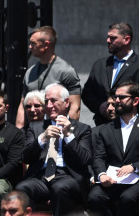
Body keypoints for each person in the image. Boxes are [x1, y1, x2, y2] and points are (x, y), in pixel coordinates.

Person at [15, 83, 92, 216]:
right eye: (46, 101)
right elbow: (25, 157)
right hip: (42, 177)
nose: (49, 105)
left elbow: (85, 159)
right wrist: (42, 138)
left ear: (66, 102)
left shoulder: (82, 129)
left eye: (53, 101)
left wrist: (68, 135)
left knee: (59, 188)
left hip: (68, 176)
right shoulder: (35, 127)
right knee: (21, 188)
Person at [88, 81, 139, 216]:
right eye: (116, 97)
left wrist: (134, 166)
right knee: (94, 197)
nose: (117, 101)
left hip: (137, 180)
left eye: (122, 97)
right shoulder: (106, 129)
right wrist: (101, 174)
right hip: (113, 181)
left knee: (128, 198)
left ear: (135, 101)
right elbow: (99, 157)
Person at [15, 26, 81, 129]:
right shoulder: (29, 72)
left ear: (46, 45)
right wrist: (19, 132)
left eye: (33, 43)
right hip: (32, 133)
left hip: (57, 131)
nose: (30, 47)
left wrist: (64, 133)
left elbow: (75, 107)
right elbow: (22, 106)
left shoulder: (66, 71)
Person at [82, 22, 139, 126]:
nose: (108, 41)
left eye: (113, 38)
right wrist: (100, 106)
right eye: (108, 37)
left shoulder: (137, 64)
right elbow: (87, 94)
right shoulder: (100, 65)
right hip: (103, 126)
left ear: (126, 39)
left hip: (131, 126)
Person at [89, 91, 117, 184]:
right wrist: (94, 176)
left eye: (114, 104)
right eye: (108, 104)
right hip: (102, 179)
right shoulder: (95, 132)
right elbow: (89, 159)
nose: (109, 108)